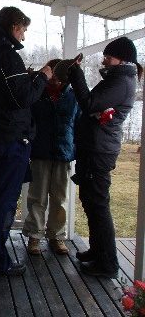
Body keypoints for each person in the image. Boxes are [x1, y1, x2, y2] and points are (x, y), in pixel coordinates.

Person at [0, 6, 52, 276]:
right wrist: (42, 77)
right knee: (3, 201)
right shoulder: (6, 55)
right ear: (14, 25)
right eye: (23, 30)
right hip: (9, 138)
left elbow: (2, 92)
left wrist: (25, 79)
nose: (24, 37)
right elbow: (22, 98)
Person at [68, 37, 143, 278]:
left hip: (99, 150)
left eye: (108, 57)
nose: (104, 60)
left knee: (98, 205)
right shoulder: (118, 79)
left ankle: (108, 264)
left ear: (122, 59)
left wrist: (76, 75)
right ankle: (98, 251)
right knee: (91, 202)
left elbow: (89, 103)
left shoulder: (120, 81)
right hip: (95, 148)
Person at [22, 59, 81, 255]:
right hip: (40, 153)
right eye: (51, 71)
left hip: (64, 153)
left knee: (60, 198)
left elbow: (79, 125)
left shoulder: (74, 96)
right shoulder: (36, 94)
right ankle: (35, 237)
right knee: (37, 197)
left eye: (58, 72)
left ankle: (57, 236)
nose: (54, 76)